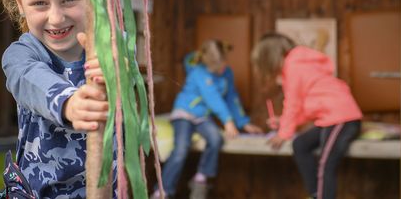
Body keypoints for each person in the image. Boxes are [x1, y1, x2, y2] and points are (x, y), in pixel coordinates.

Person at [0, 0, 110, 199]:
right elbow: (31, 80)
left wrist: (117, 69)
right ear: (19, 1)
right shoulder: (21, 55)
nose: (56, 18)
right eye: (40, 3)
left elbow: (128, 63)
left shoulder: (110, 46)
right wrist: (69, 102)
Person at [251, 33, 363, 199]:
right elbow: (303, 108)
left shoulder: (294, 66)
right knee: (300, 144)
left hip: (342, 119)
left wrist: (283, 133)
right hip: (330, 119)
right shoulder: (297, 65)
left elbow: (293, 104)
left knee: (326, 164)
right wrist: (283, 122)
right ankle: (316, 194)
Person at [151, 40, 262, 199]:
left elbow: (232, 98)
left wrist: (243, 122)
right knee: (181, 148)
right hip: (184, 114)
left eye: (223, 64)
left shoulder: (227, 73)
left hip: (202, 117)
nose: (221, 69)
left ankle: (201, 178)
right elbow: (213, 98)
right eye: (216, 68)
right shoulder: (198, 72)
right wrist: (228, 121)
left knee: (216, 139)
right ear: (206, 63)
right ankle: (162, 191)